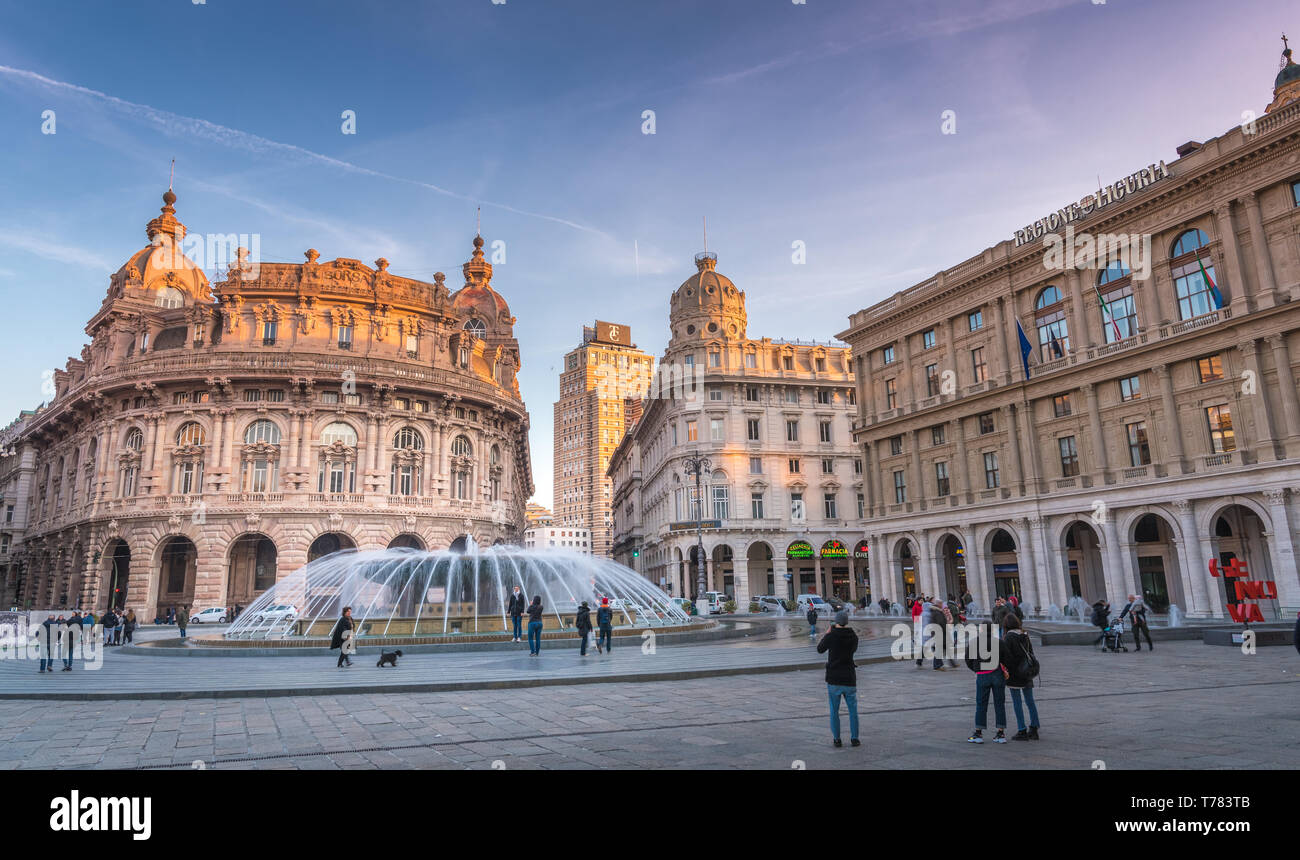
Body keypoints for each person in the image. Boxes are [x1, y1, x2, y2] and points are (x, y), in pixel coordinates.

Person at [817, 610, 860, 748]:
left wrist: (827, 633)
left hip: (834, 678)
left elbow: (820, 649)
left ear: (836, 622)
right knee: (853, 710)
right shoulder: (853, 636)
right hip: (849, 676)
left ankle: (837, 739)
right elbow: (853, 650)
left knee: (834, 711)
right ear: (846, 621)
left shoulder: (832, 636)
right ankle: (855, 739)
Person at [966, 622, 1007, 744]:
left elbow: (968, 660)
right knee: (1000, 703)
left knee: (981, 704)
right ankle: (1000, 733)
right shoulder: (999, 642)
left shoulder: (974, 642)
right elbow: (1007, 658)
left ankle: (978, 733)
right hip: (997, 674)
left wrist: (976, 669)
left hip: (982, 675)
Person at [1001, 614, 1040, 740]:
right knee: (1030, 701)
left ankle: (1021, 730)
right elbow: (1031, 652)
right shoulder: (1025, 634)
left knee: (1017, 702)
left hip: (1015, 674)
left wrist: (1006, 670)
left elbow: (1007, 657)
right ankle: (1034, 728)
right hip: (1027, 671)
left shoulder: (1009, 637)